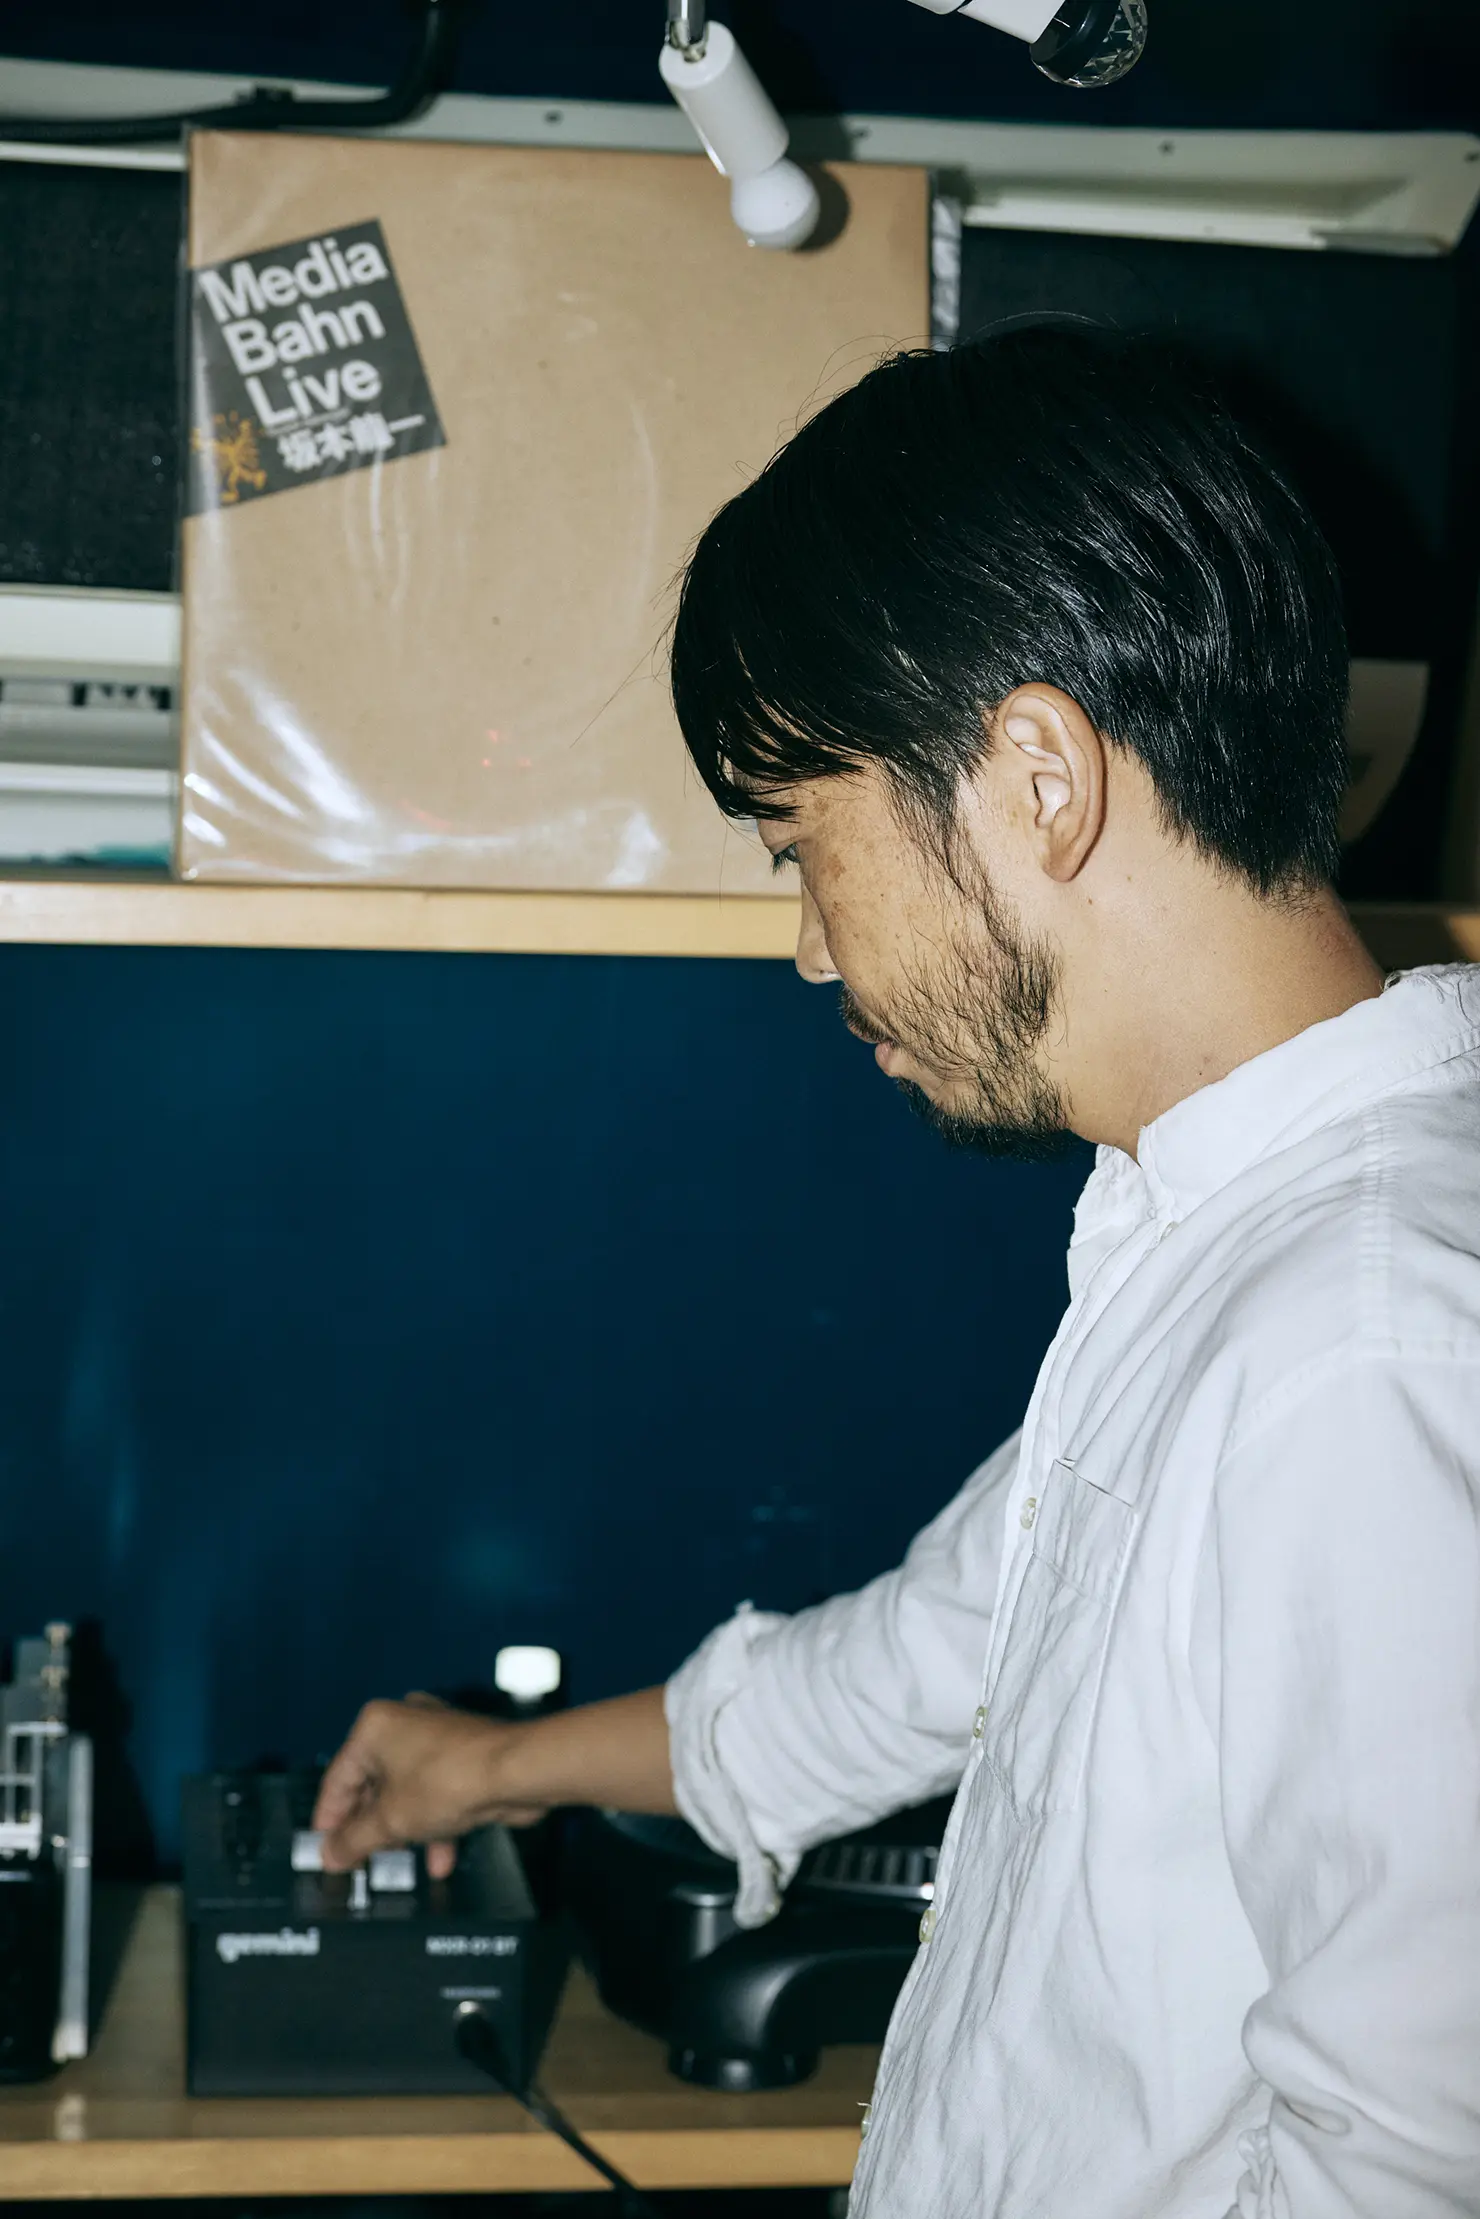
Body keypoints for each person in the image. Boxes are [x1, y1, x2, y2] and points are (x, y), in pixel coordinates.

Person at [314, 328, 1480, 2217]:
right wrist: (494, 1767)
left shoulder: (1365, 1345)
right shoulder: (1212, 1250)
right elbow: (902, 1668)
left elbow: (1414, 2163)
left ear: (1038, 777)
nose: (806, 946)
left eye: (803, 843)